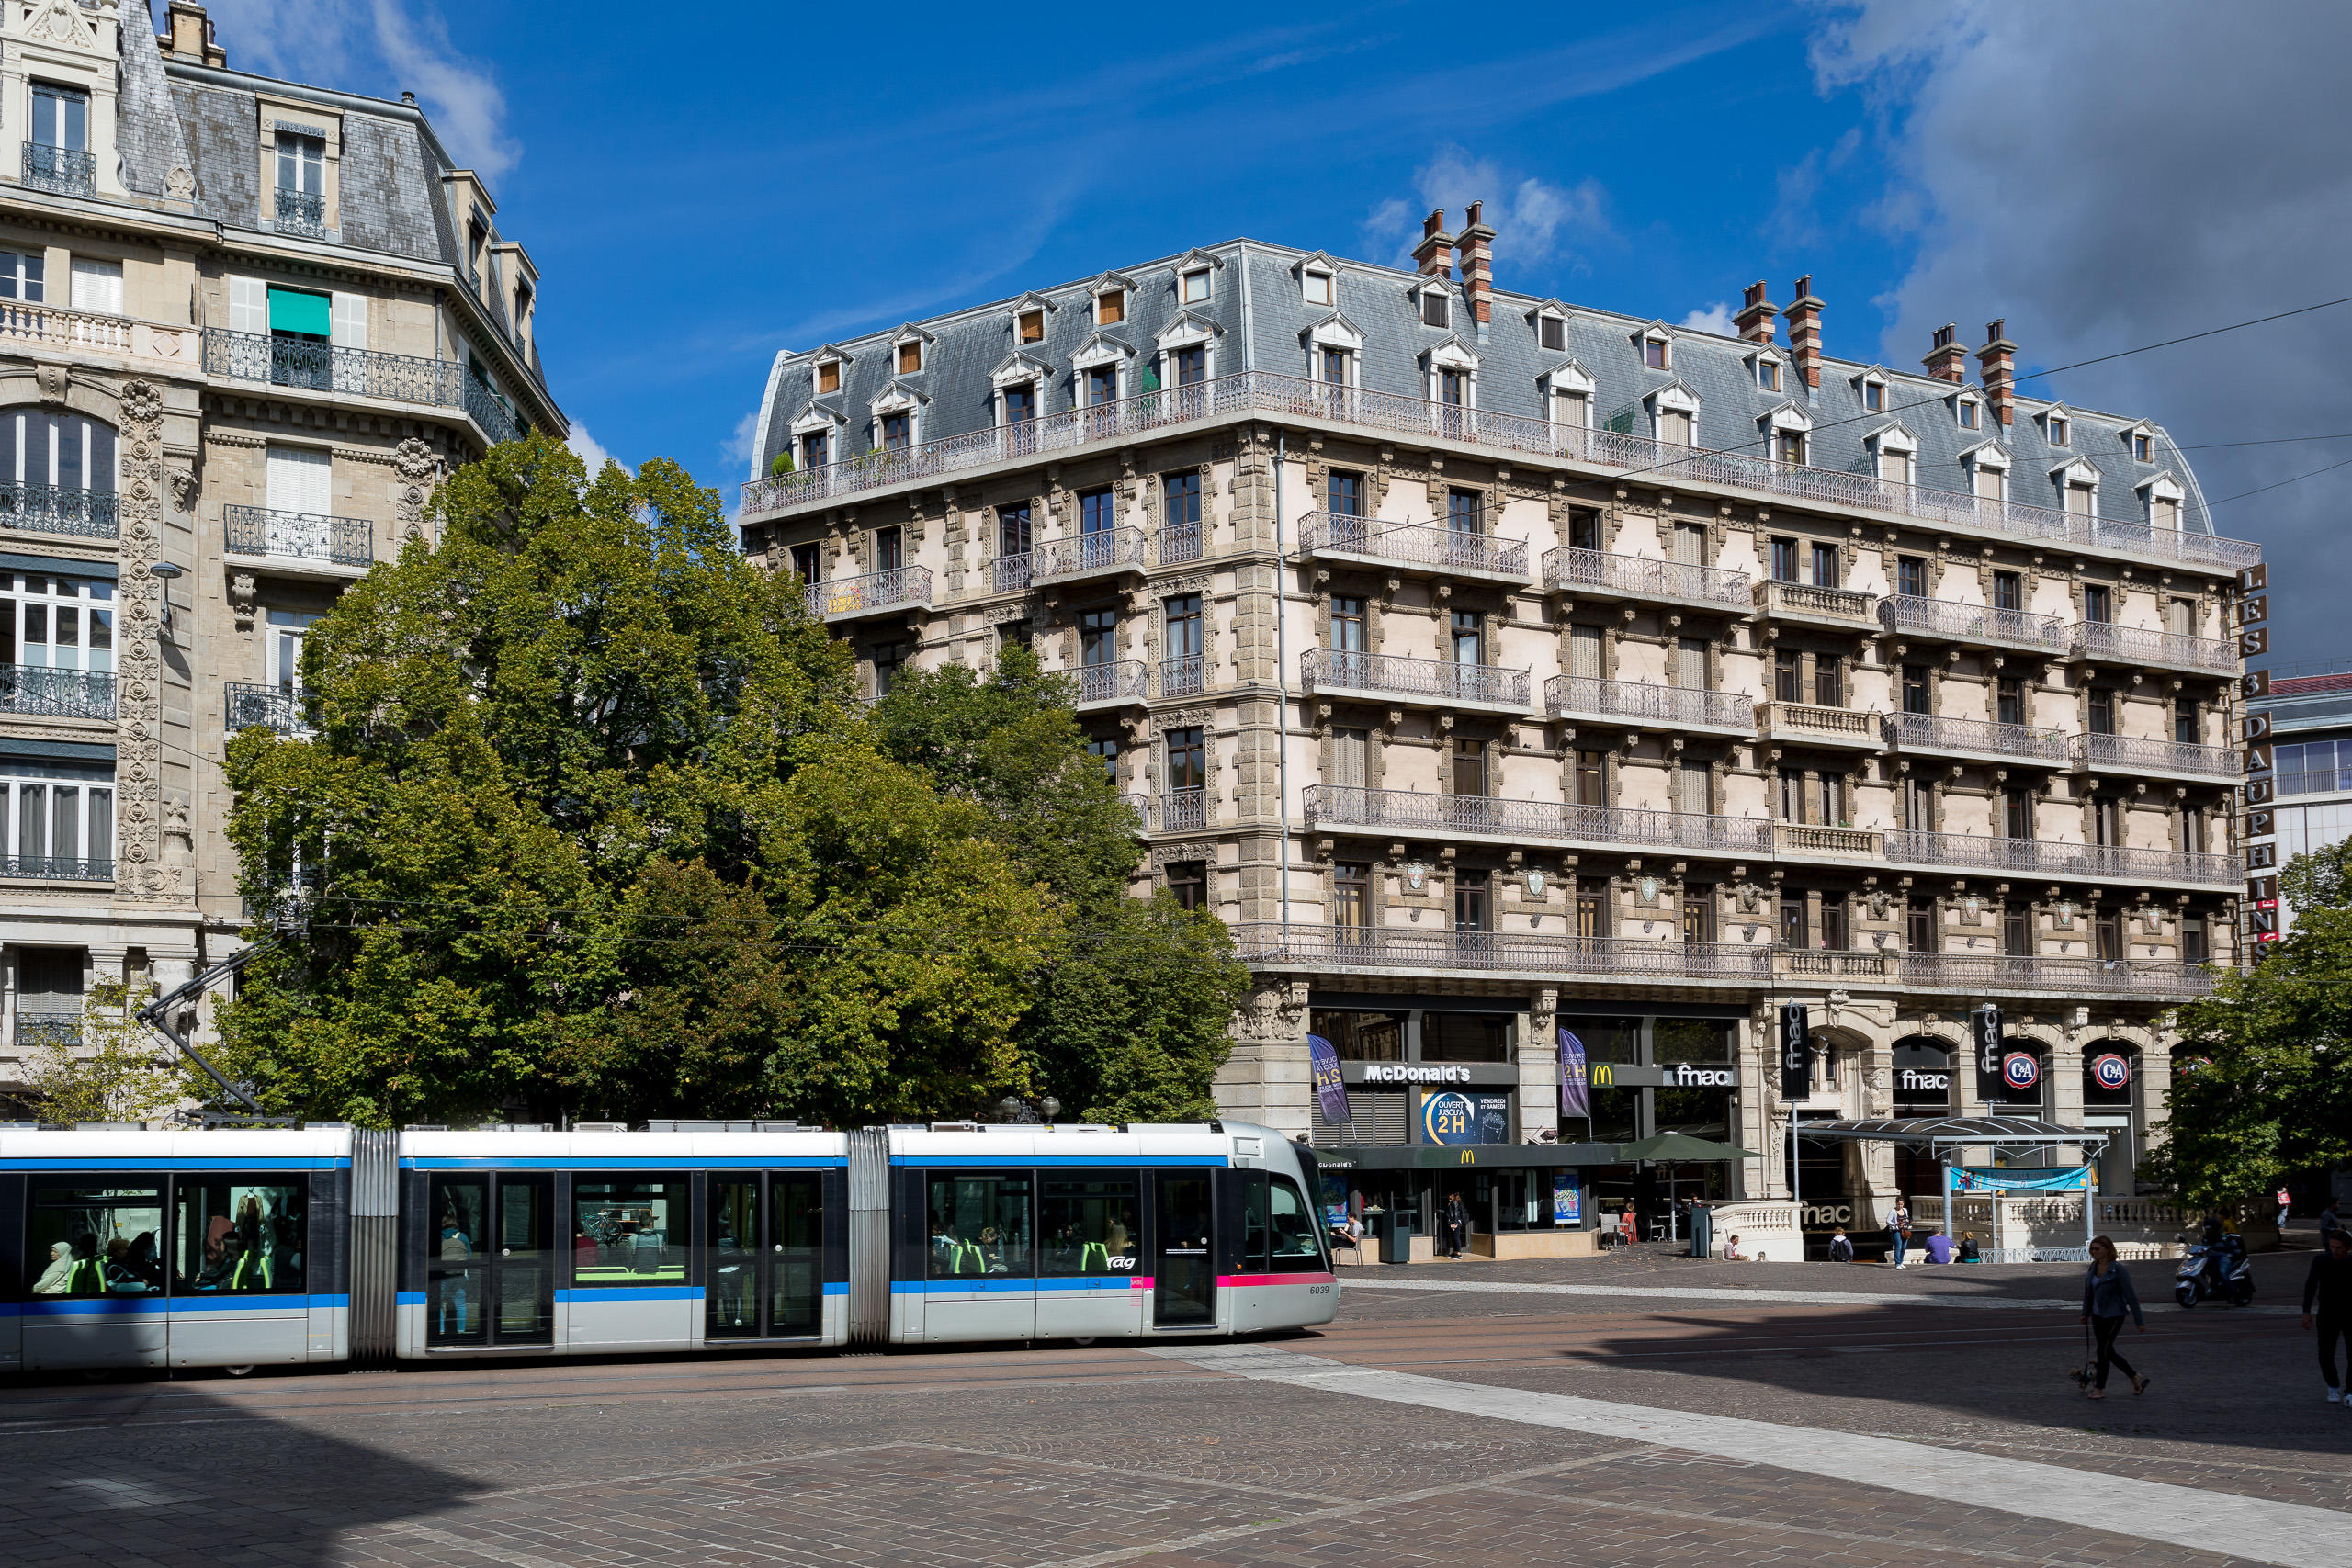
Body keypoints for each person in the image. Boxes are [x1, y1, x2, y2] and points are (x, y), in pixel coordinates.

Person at [2081, 1234, 2148, 1400]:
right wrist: (2085, 1313)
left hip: (2114, 1314)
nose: (2093, 1251)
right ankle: (2134, 1377)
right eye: (2091, 1249)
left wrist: (2139, 1321)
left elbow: (2131, 1296)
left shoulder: (2118, 1270)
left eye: (2097, 1249)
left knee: (2102, 1350)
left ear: (2107, 1249)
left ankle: (2099, 1388)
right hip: (2097, 1315)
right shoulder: (2092, 1267)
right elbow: (2088, 1293)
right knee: (2107, 1351)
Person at [2302, 1226, 2352, 1403]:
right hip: (2328, 1311)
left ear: (2348, 1248)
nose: (2335, 1251)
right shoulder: (2321, 1261)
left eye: (2339, 1248)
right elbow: (2310, 1285)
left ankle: (2350, 1391)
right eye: (2332, 1247)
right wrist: (2306, 1311)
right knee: (2325, 1352)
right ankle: (2333, 1386)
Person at [1442, 1191, 1469, 1259]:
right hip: (1452, 1222)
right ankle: (1455, 1252)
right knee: (1454, 1238)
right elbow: (1448, 1212)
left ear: (1452, 1195)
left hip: (1456, 1223)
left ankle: (1459, 1253)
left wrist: (1455, 1223)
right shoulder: (1452, 1202)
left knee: (1456, 1238)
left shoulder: (1455, 1202)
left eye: (1450, 1195)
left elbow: (1456, 1213)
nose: (1448, 1196)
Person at [1888, 1199, 1912, 1269]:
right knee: (1898, 1246)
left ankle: (1901, 1261)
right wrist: (1895, 1224)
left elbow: (1907, 1219)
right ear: (1896, 1203)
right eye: (1898, 1204)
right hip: (1896, 1231)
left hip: (1905, 1230)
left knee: (1903, 1247)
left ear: (1903, 1204)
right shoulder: (1893, 1211)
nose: (1900, 1206)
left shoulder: (1905, 1210)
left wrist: (1908, 1224)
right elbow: (1888, 1221)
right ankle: (1897, 1263)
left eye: (1901, 1204)